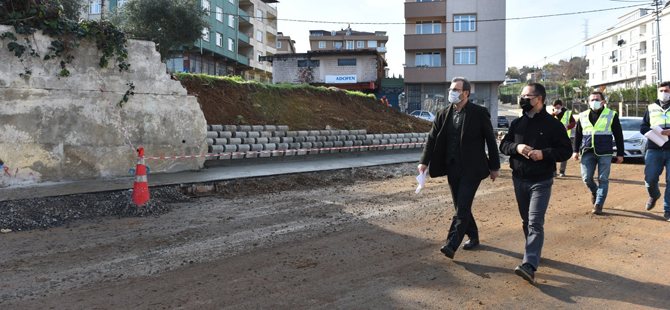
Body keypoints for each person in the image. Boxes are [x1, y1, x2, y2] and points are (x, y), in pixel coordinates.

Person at [418, 77, 500, 260]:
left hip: (473, 168)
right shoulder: (443, 113)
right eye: (451, 89)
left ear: (466, 93)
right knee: (460, 205)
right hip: (452, 166)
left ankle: (451, 244)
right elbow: (432, 138)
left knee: (462, 206)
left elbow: (490, 140)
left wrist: (495, 166)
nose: (451, 92)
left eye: (455, 89)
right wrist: (424, 162)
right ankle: (474, 235)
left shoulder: (479, 113)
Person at [499, 82, 572, 283]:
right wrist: (517, 147)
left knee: (534, 222)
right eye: (521, 95)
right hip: (519, 180)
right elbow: (503, 145)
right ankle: (533, 251)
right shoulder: (517, 123)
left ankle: (529, 264)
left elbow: (566, 150)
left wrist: (544, 153)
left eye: (526, 96)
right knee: (526, 220)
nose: (522, 99)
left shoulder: (553, 125)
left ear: (538, 98)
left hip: (541, 181)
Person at [572, 91, 624, 215]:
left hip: (605, 152)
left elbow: (618, 135)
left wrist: (620, 153)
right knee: (587, 178)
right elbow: (578, 134)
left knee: (603, 179)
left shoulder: (611, 115)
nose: (594, 102)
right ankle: (595, 191)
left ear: (603, 101)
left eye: (596, 99)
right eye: (591, 100)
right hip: (587, 151)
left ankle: (598, 204)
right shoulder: (583, 115)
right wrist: (575, 151)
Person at [640, 81, 670, 221]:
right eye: (662, 90)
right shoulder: (651, 108)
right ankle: (654, 195)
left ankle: (667, 209)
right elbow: (643, 127)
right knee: (650, 178)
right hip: (654, 148)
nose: (664, 92)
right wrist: (653, 132)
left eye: (667, 90)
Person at [551, 99, 576, 177]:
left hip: (565, 137)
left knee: (564, 154)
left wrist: (568, 127)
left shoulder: (568, 113)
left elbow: (573, 123)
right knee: (552, 154)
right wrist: (553, 114)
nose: (557, 109)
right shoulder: (552, 114)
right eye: (555, 107)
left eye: (558, 107)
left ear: (562, 106)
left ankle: (562, 171)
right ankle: (553, 171)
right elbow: (546, 122)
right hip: (553, 137)